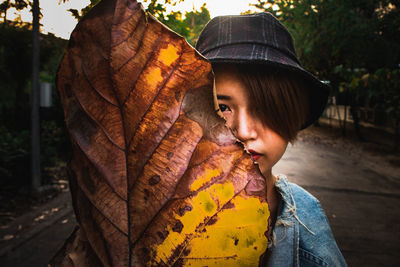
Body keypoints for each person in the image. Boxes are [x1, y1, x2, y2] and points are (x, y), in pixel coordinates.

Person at [195, 13, 347, 266]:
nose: (243, 131)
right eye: (222, 107)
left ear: (292, 112)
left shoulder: (308, 219)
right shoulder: (139, 204)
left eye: (264, 108)